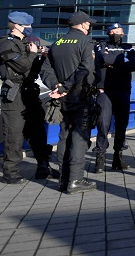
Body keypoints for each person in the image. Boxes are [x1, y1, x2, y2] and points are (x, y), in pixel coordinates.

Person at [0, 11, 58, 184]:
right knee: (14, 135)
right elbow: (21, 66)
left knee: (38, 133)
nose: (29, 28)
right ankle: (11, 172)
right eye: (26, 25)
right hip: (14, 94)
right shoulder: (4, 44)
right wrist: (32, 54)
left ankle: (43, 167)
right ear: (16, 25)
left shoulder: (27, 44)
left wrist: (41, 57)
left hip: (30, 93)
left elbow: (32, 70)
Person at [40, 11, 98, 194]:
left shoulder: (57, 43)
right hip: (79, 96)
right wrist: (65, 87)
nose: (89, 26)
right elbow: (86, 69)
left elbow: (45, 68)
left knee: (64, 137)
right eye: (88, 24)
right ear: (81, 25)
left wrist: (55, 86)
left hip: (62, 98)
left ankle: (64, 180)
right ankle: (75, 180)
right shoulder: (85, 42)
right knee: (79, 139)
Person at [92, 22, 135, 172]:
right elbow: (103, 59)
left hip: (123, 90)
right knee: (103, 124)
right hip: (105, 91)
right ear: (111, 32)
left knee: (121, 126)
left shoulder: (128, 47)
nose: (122, 34)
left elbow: (132, 65)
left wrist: (113, 63)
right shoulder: (101, 46)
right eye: (119, 31)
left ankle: (118, 158)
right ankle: (100, 159)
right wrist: (120, 61)